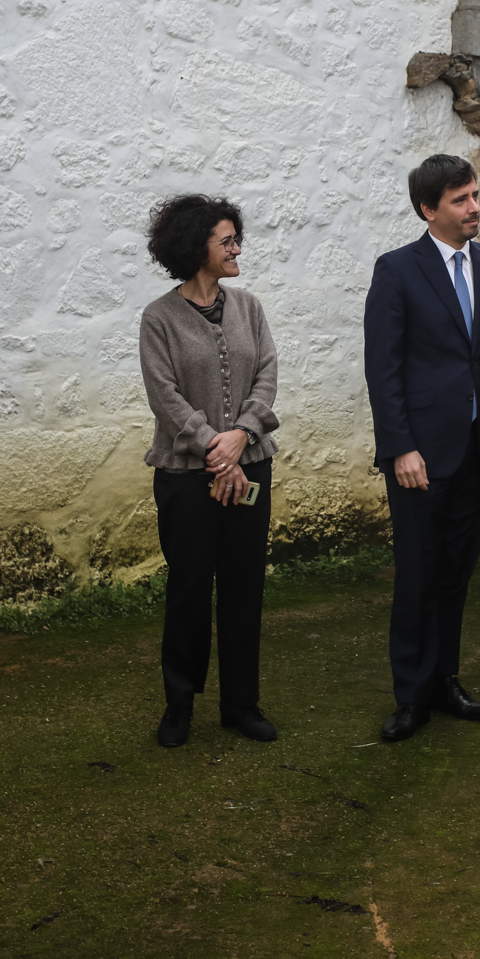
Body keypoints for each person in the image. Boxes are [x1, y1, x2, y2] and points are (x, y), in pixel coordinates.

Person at [363, 154, 480, 743]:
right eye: (460, 200)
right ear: (429, 209)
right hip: (420, 458)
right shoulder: (397, 271)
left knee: (456, 572)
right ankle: (410, 696)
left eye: (475, 196)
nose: (474, 208)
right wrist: (400, 447)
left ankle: (444, 681)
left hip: (477, 450)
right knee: (417, 574)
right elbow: (383, 370)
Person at [139, 193, 279, 749]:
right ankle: (179, 703)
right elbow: (164, 395)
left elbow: (266, 374)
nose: (237, 248)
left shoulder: (249, 307)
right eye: (227, 240)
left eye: (235, 239)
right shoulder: (159, 318)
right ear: (197, 248)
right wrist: (213, 450)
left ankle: (241, 703)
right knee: (191, 588)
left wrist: (242, 436)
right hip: (184, 479)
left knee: (244, 588)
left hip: (252, 469)